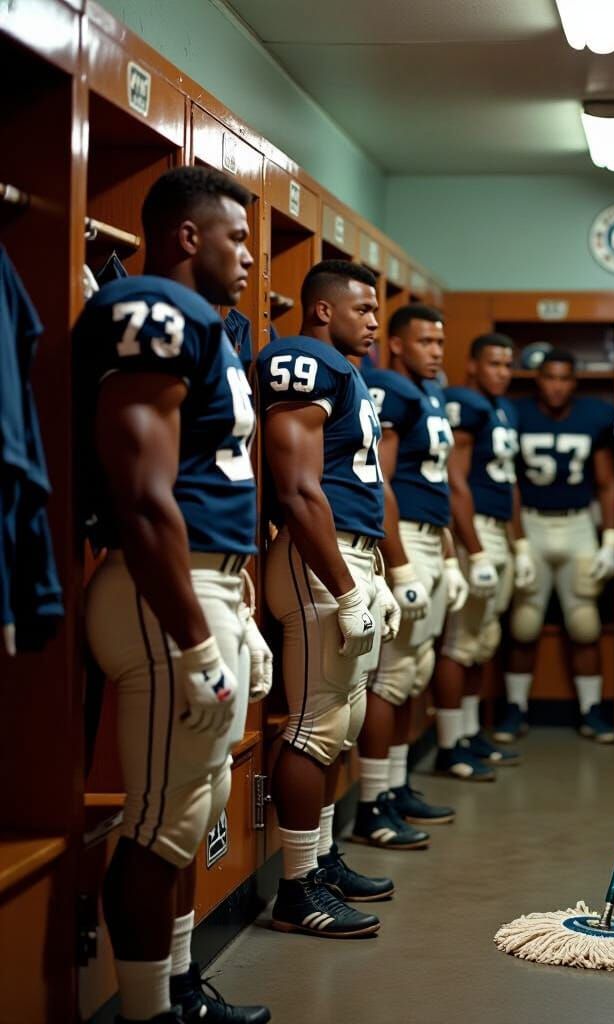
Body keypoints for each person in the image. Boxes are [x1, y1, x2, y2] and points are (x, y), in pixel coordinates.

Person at [76, 166, 270, 1023]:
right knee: (157, 825)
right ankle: (147, 1014)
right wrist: (196, 641)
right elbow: (145, 500)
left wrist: (243, 610)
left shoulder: (209, 327)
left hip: (206, 589)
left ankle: (178, 987)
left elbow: (209, 486)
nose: (251, 258)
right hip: (167, 597)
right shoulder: (155, 310)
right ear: (189, 236)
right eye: (236, 236)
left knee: (188, 810)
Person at [257, 260, 401, 937]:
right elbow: (295, 488)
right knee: (316, 728)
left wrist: (372, 576)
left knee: (340, 722)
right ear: (321, 310)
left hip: (348, 553)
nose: (375, 322)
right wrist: (347, 588)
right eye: (363, 308)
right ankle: (296, 890)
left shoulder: (344, 371)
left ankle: (322, 856)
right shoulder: (306, 357)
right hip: (321, 557)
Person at [356, 305, 467, 843]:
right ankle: (371, 804)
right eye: (425, 342)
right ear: (396, 344)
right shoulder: (390, 390)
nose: (435, 351)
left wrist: (447, 555)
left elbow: (435, 484)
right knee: (392, 679)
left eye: (440, 342)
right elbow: (382, 481)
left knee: (413, 676)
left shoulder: (431, 392)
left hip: (430, 537)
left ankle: (394, 788)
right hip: (406, 541)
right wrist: (399, 562)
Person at [497, 350, 614, 743]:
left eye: (564, 378)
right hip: (530, 522)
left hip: (578, 524)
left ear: (574, 382)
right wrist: (516, 541)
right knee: (524, 621)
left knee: (584, 622)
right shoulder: (516, 413)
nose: (556, 386)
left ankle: (591, 710)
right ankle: (515, 708)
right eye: (549, 377)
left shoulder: (594, 416)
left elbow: (607, 481)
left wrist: (612, 540)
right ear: (538, 379)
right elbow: (508, 481)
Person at [435, 333, 536, 776]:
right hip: (473, 531)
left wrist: (520, 541)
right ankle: (448, 744)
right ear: (473, 365)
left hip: (499, 530)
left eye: (507, 364)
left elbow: (508, 481)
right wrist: (473, 550)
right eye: (493, 364)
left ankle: (470, 732)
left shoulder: (504, 408)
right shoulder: (464, 405)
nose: (501, 372)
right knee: (459, 642)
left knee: (482, 640)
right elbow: (455, 482)